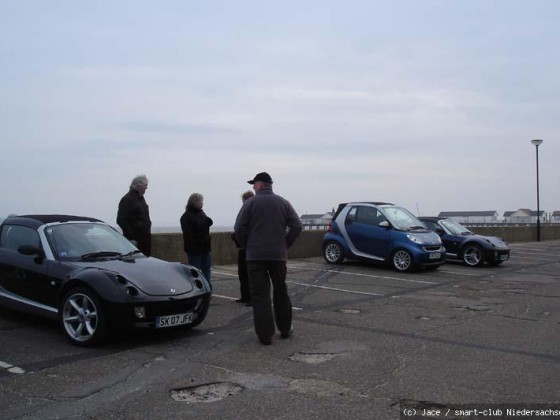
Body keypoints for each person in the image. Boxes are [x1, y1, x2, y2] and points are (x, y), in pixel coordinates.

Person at [234, 172, 303, 345]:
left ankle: (266, 336)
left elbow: (239, 229)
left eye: (254, 184)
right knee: (281, 291)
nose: (253, 187)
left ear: (260, 184)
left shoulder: (250, 204)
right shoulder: (283, 203)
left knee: (260, 295)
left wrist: (247, 245)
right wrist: (284, 244)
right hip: (278, 256)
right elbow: (297, 226)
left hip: (255, 257)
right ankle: (285, 328)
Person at [180, 193, 213, 290]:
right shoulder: (187, 216)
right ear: (196, 202)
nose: (202, 203)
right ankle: (199, 289)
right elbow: (188, 235)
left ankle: (208, 288)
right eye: (201, 201)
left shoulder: (201, 213)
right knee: (196, 271)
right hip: (195, 249)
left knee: (206, 269)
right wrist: (196, 244)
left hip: (205, 247)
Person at [117, 175, 152, 256]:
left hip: (145, 239)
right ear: (139, 186)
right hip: (135, 240)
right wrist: (132, 237)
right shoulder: (128, 199)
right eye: (145, 186)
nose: (146, 189)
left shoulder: (141, 199)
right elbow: (121, 219)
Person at [231, 190, 254, 305]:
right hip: (244, 247)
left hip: (249, 247)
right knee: (243, 273)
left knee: (249, 274)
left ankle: (250, 297)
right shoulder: (247, 211)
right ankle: (245, 296)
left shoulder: (251, 211)